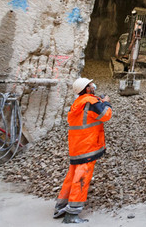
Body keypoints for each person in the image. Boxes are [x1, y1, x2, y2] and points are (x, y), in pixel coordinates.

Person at [53, 77, 112, 223]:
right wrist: (107, 102)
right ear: (86, 88)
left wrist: (100, 100)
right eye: (91, 85)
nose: (94, 86)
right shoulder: (91, 102)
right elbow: (106, 115)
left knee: (72, 176)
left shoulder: (77, 103)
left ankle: (61, 206)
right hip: (88, 146)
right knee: (81, 178)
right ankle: (72, 214)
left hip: (77, 145)